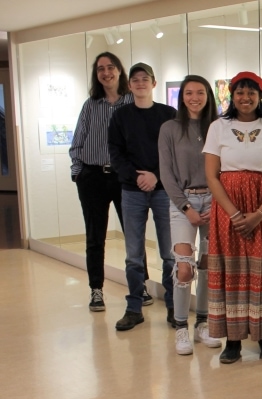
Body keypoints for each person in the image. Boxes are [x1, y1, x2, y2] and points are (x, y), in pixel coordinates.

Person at [203, 71, 262, 364]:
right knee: (232, 272)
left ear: (260, 96)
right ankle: (233, 340)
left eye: (251, 92)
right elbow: (212, 176)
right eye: (240, 91)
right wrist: (236, 214)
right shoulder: (218, 127)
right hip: (229, 210)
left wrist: (259, 214)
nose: (245, 97)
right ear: (231, 95)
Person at [69, 52, 153, 312]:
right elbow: (77, 142)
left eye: (111, 67)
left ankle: (141, 286)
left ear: (120, 71)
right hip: (93, 177)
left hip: (124, 177)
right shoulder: (91, 104)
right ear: (97, 74)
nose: (106, 72)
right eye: (101, 69)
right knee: (95, 237)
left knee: (133, 235)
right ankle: (96, 289)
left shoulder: (133, 101)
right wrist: (78, 172)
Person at [109, 62, 177, 331]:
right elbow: (115, 153)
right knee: (133, 255)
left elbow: (173, 153)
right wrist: (137, 177)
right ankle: (134, 307)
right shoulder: (120, 116)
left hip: (164, 192)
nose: (140, 83)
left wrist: (156, 175)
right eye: (135, 79)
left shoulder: (169, 114)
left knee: (170, 254)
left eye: (145, 78)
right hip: (131, 191)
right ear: (129, 85)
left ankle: (175, 307)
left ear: (154, 83)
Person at [158, 75, 221, 355]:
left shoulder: (217, 127)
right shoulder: (169, 128)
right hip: (182, 202)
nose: (194, 98)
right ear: (181, 97)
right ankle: (181, 326)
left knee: (208, 266)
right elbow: (166, 173)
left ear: (208, 95)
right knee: (184, 268)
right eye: (188, 93)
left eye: (200, 92)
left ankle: (203, 324)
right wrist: (186, 208)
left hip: (214, 200)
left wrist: (217, 201)